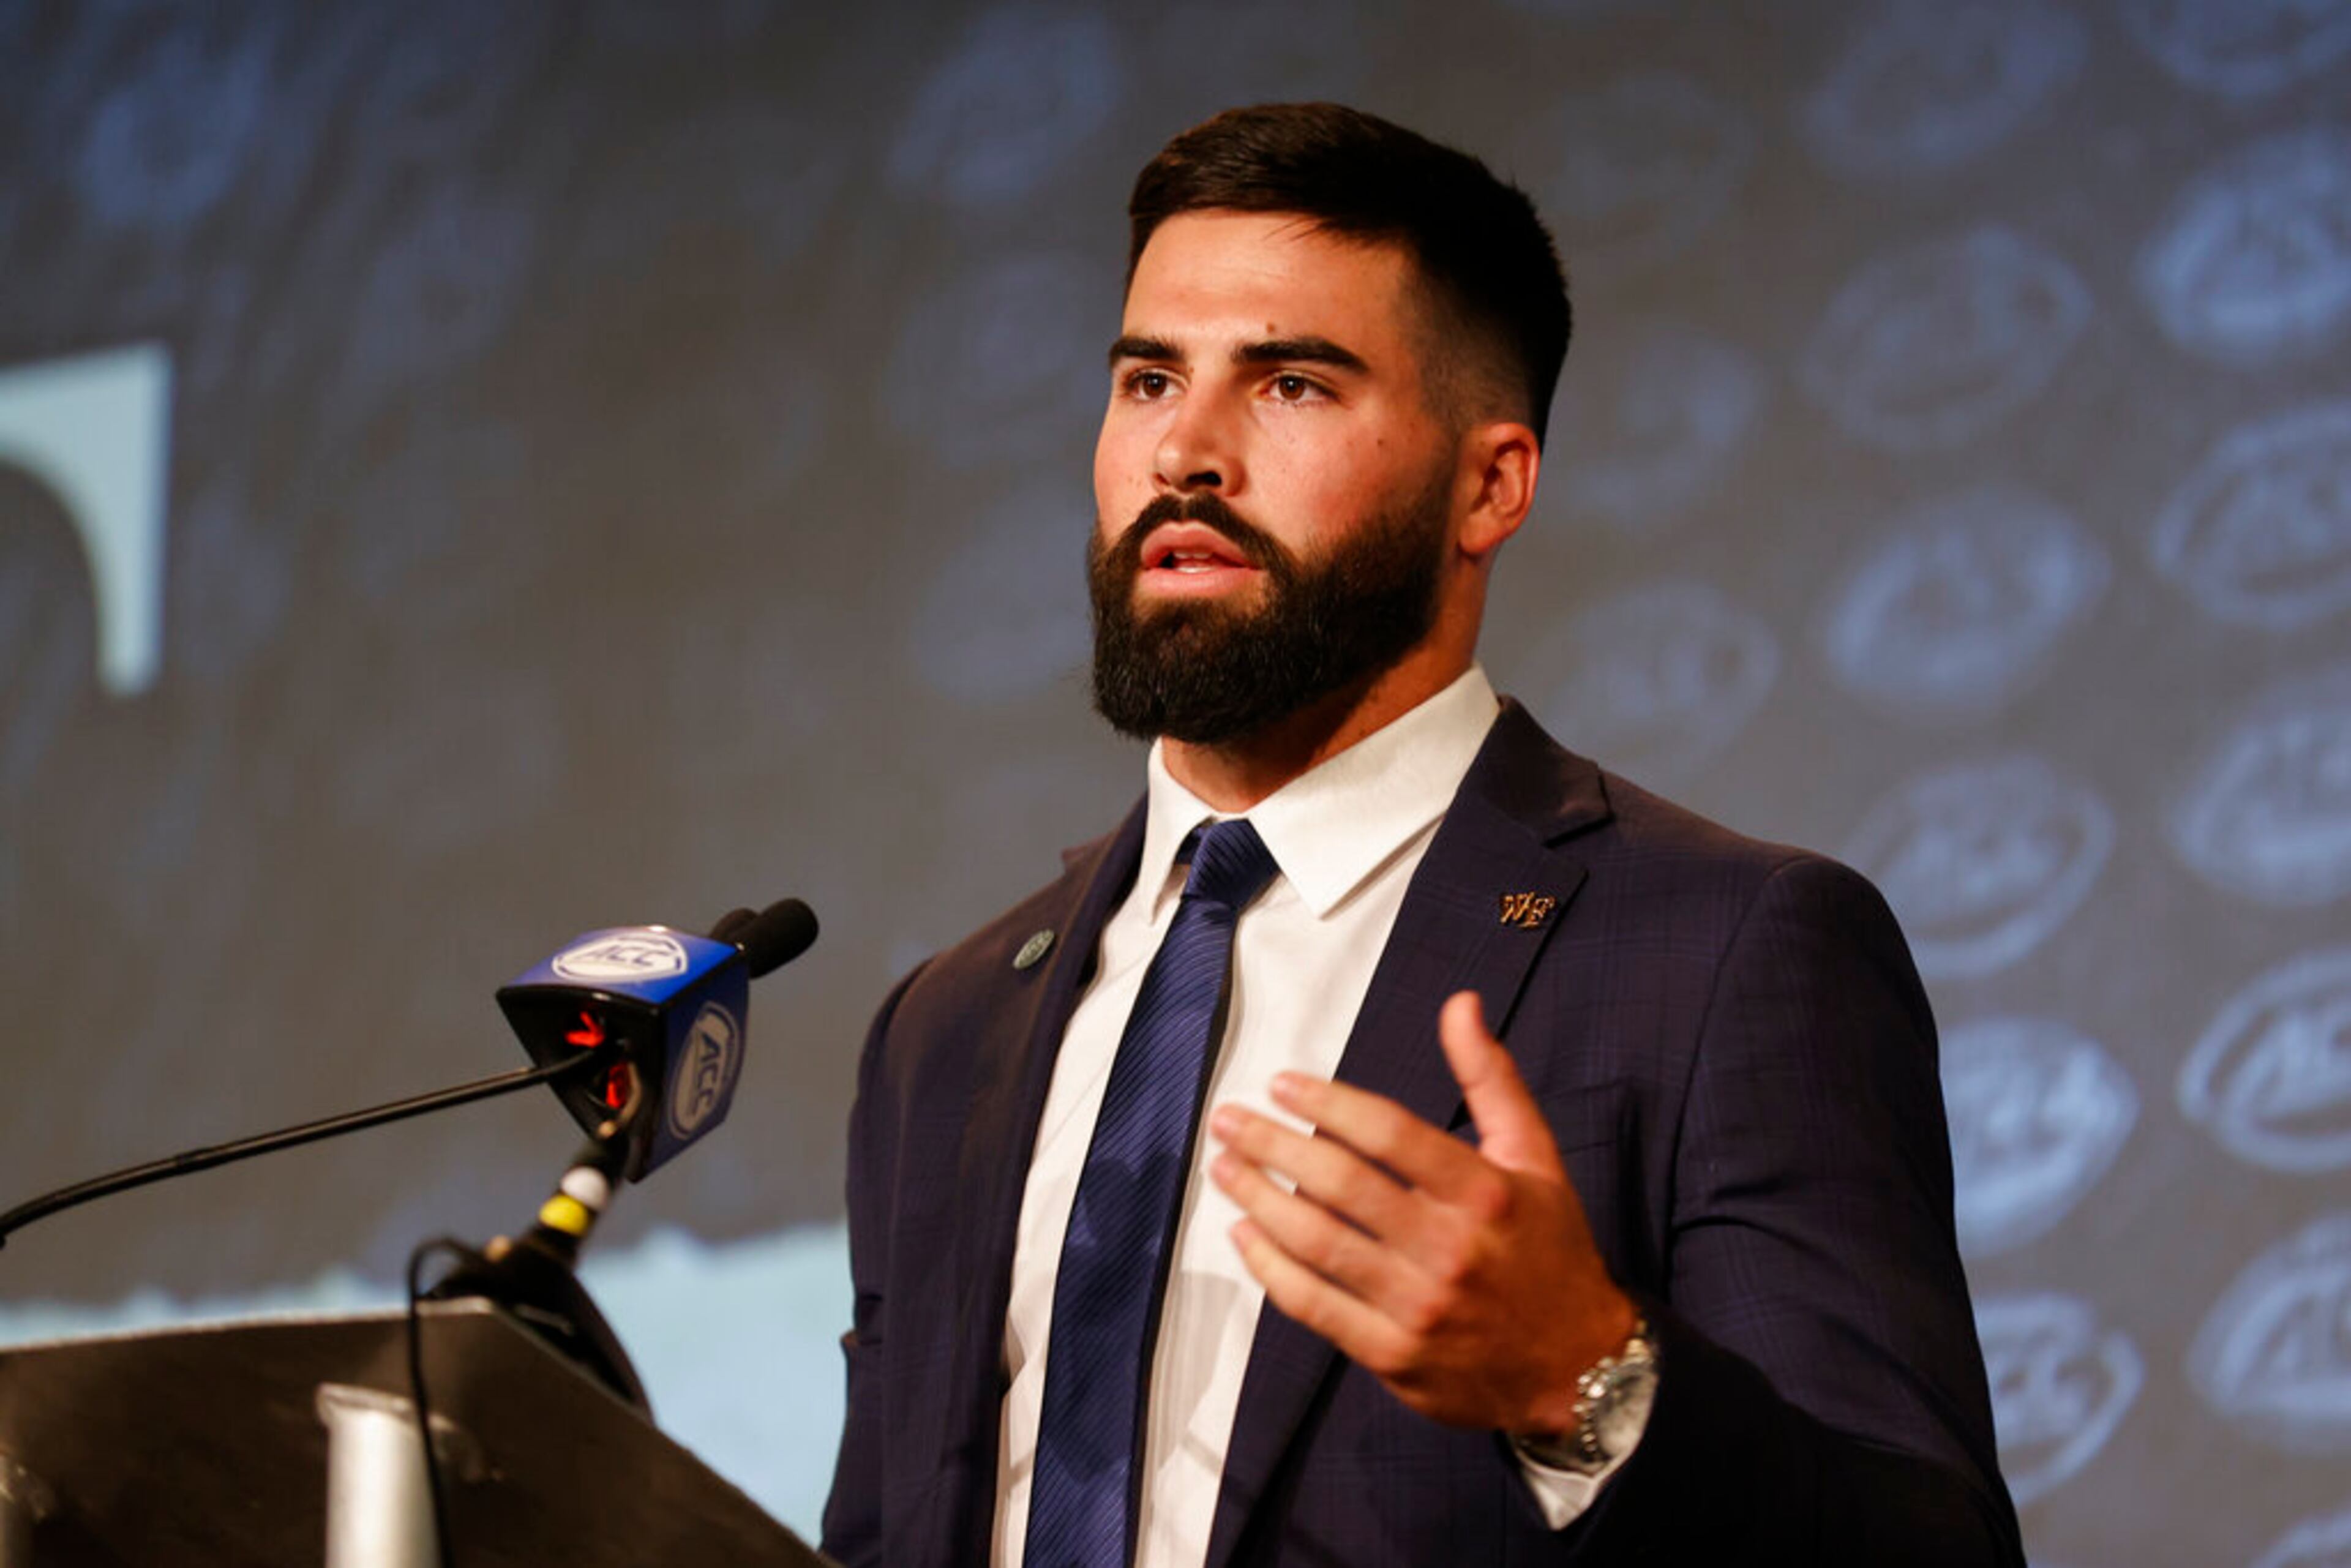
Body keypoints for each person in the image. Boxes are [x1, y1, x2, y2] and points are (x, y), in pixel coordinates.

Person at [821, 103, 2024, 1568]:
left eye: (1292, 385)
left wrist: (1583, 1380)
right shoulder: (946, 1028)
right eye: (1149, 380)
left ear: (1489, 485)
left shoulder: (1724, 953)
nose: (1185, 452)